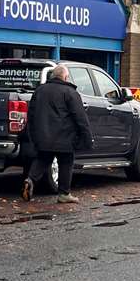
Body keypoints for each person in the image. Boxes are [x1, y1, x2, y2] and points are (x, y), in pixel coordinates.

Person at [22, 64, 92, 204]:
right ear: (65, 77)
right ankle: (64, 193)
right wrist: (87, 137)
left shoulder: (39, 91)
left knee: (43, 159)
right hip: (65, 137)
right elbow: (80, 117)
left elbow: (31, 114)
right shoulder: (70, 92)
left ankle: (30, 179)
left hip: (43, 137)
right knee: (66, 162)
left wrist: (32, 135)